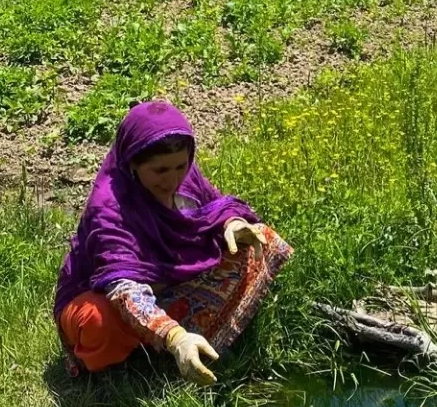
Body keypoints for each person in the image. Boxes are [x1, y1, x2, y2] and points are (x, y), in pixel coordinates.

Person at [54, 100, 292, 382]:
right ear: (132, 162)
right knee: (97, 320)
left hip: (167, 280)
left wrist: (234, 225)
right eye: (160, 171)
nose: (173, 179)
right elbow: (123, 289)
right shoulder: (109, 208)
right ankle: (157, 351)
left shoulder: (185, 176)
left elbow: (216, 206)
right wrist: (175, 336)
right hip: (110, 293)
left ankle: (192, 341)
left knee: (260, 239)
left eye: (181, 166)